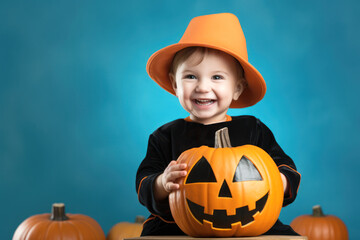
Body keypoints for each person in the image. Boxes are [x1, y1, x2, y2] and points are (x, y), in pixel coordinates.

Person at [136, 13, 301, 236]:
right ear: (175, 84)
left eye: (217, 77)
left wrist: (274, 181)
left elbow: (286, 168)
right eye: (191, 77)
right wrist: (162, 183)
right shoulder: (165, 136)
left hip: (251, 225)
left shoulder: (253, 130)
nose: (203, 87)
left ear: (237, 88)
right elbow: (144, 183)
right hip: (176, 226)